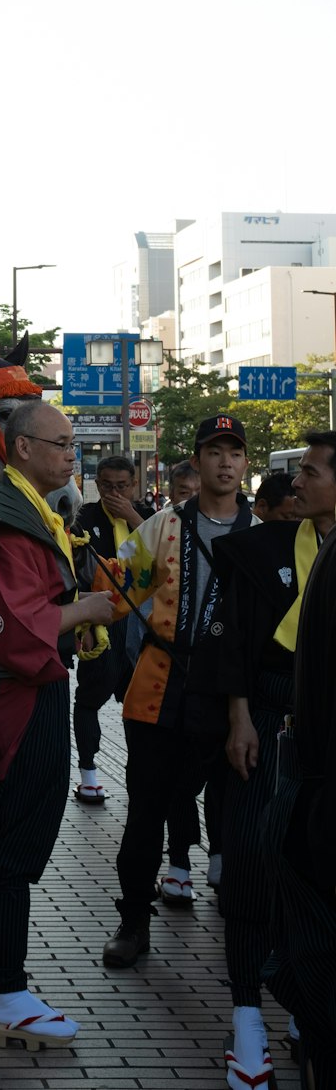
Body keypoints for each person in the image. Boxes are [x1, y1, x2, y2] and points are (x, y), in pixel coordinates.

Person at [0, 400, 116, 1049]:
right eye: (62, 443)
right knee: (14, 841)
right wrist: (88, 608)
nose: (72, 454)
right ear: (22, 448)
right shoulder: (10, 514)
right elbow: (14, 627)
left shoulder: (17, 507)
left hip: (3, 693)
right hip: (19, 696)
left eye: (73, 444)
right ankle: (10, 993)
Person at [102, 414, 254, 970]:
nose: (225, 462)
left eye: (234, 453)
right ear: (198, 459)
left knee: (237, 817)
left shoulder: (260, 536)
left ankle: (245, 930)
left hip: (233, 698)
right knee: (144, 811)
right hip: (159, 687)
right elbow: (118, 591)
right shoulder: (161, 527)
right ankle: (134, 921)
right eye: (215, 452)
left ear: (245, 463)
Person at [212, 432, 336, 1090]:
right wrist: (238, 719)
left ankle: (304, 1002)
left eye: (311, 473)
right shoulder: (264, 552)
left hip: (325, 738)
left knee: (312, 873)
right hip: (264, 718)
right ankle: (247, 1018)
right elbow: (232, 645)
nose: (298, 485)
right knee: (254, 858)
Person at [71, 456, 155, 804]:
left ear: (133, 485)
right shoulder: (83, 521)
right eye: (107, 485)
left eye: (122, 486)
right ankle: (89, 775)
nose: (114, 492)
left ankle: (141, 780)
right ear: (97, 483)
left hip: (142, 628)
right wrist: (82, 626)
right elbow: (72, 575)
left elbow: (165, 558)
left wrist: (134, 517)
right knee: (89, 699)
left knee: (139, 709)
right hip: (102, 625)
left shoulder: (151, 519)